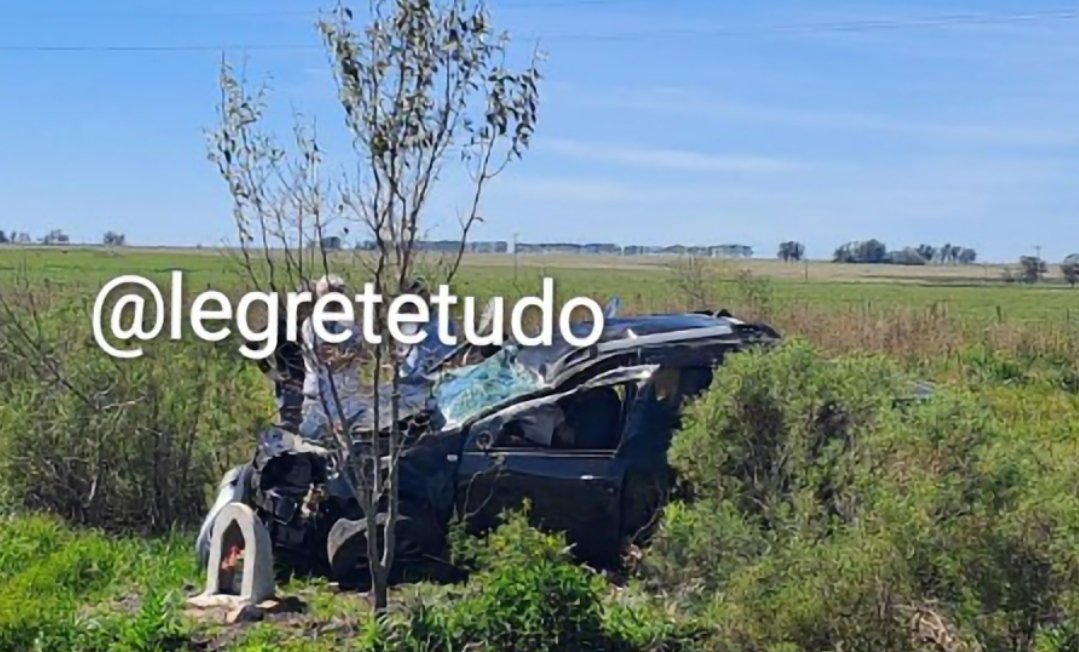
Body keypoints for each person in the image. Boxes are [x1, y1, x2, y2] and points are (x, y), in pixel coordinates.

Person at [298, 274, 366, 440]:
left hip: (346, 399)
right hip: (318, 400)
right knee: (314, 446)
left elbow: (363, 356)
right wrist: (348, 357)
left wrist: (346, 357)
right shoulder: (312, 325)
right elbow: (328, 361)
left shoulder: (349, 326)